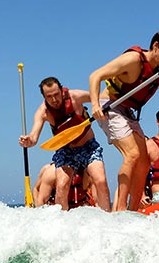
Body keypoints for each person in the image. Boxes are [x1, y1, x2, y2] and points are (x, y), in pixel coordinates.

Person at [88, 30, 159, 212]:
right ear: (155, 46)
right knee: (133, 154)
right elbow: (95, 76)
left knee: (144, 162)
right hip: (109, 106)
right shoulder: (133, 60)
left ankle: (134, 210)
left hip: (127, 111)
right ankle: (120, 210)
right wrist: (95, 104)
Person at [19, 77, 111, 211]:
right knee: (62, 186)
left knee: (100, 180)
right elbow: (34, 137)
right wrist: (28, 140)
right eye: (49, 97)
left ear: (62, 91)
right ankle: (62, 223)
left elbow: (98, 98)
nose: (54, 100)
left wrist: (98, 108)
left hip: (88, 147)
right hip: (66, 150)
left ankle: (107, 218)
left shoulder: (76, 97)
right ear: (44, 97)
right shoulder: (43, 112)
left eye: (56, 94)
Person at [33, 163, 99, 208]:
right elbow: (39, 195)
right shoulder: (50, 172)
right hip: (54, 207)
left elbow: (97, 202)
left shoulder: (87, 173)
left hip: (79, 209)